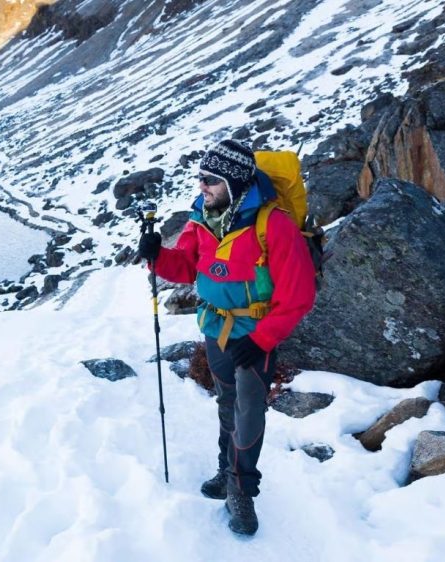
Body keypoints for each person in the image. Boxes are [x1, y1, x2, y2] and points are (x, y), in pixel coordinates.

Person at [136, 139, 316, 536]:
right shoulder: (202, 217)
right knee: (227, 403)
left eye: (211, 179)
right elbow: (187, 267)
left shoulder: (274, 225)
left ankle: (242, 491)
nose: (202, 185)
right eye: (200, 177)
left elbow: (299, 294)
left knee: (249, 411)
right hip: (215, 329)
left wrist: (264, 338)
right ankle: (226, 471)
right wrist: (157, 255)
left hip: (254, 335)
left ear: (234, 182)